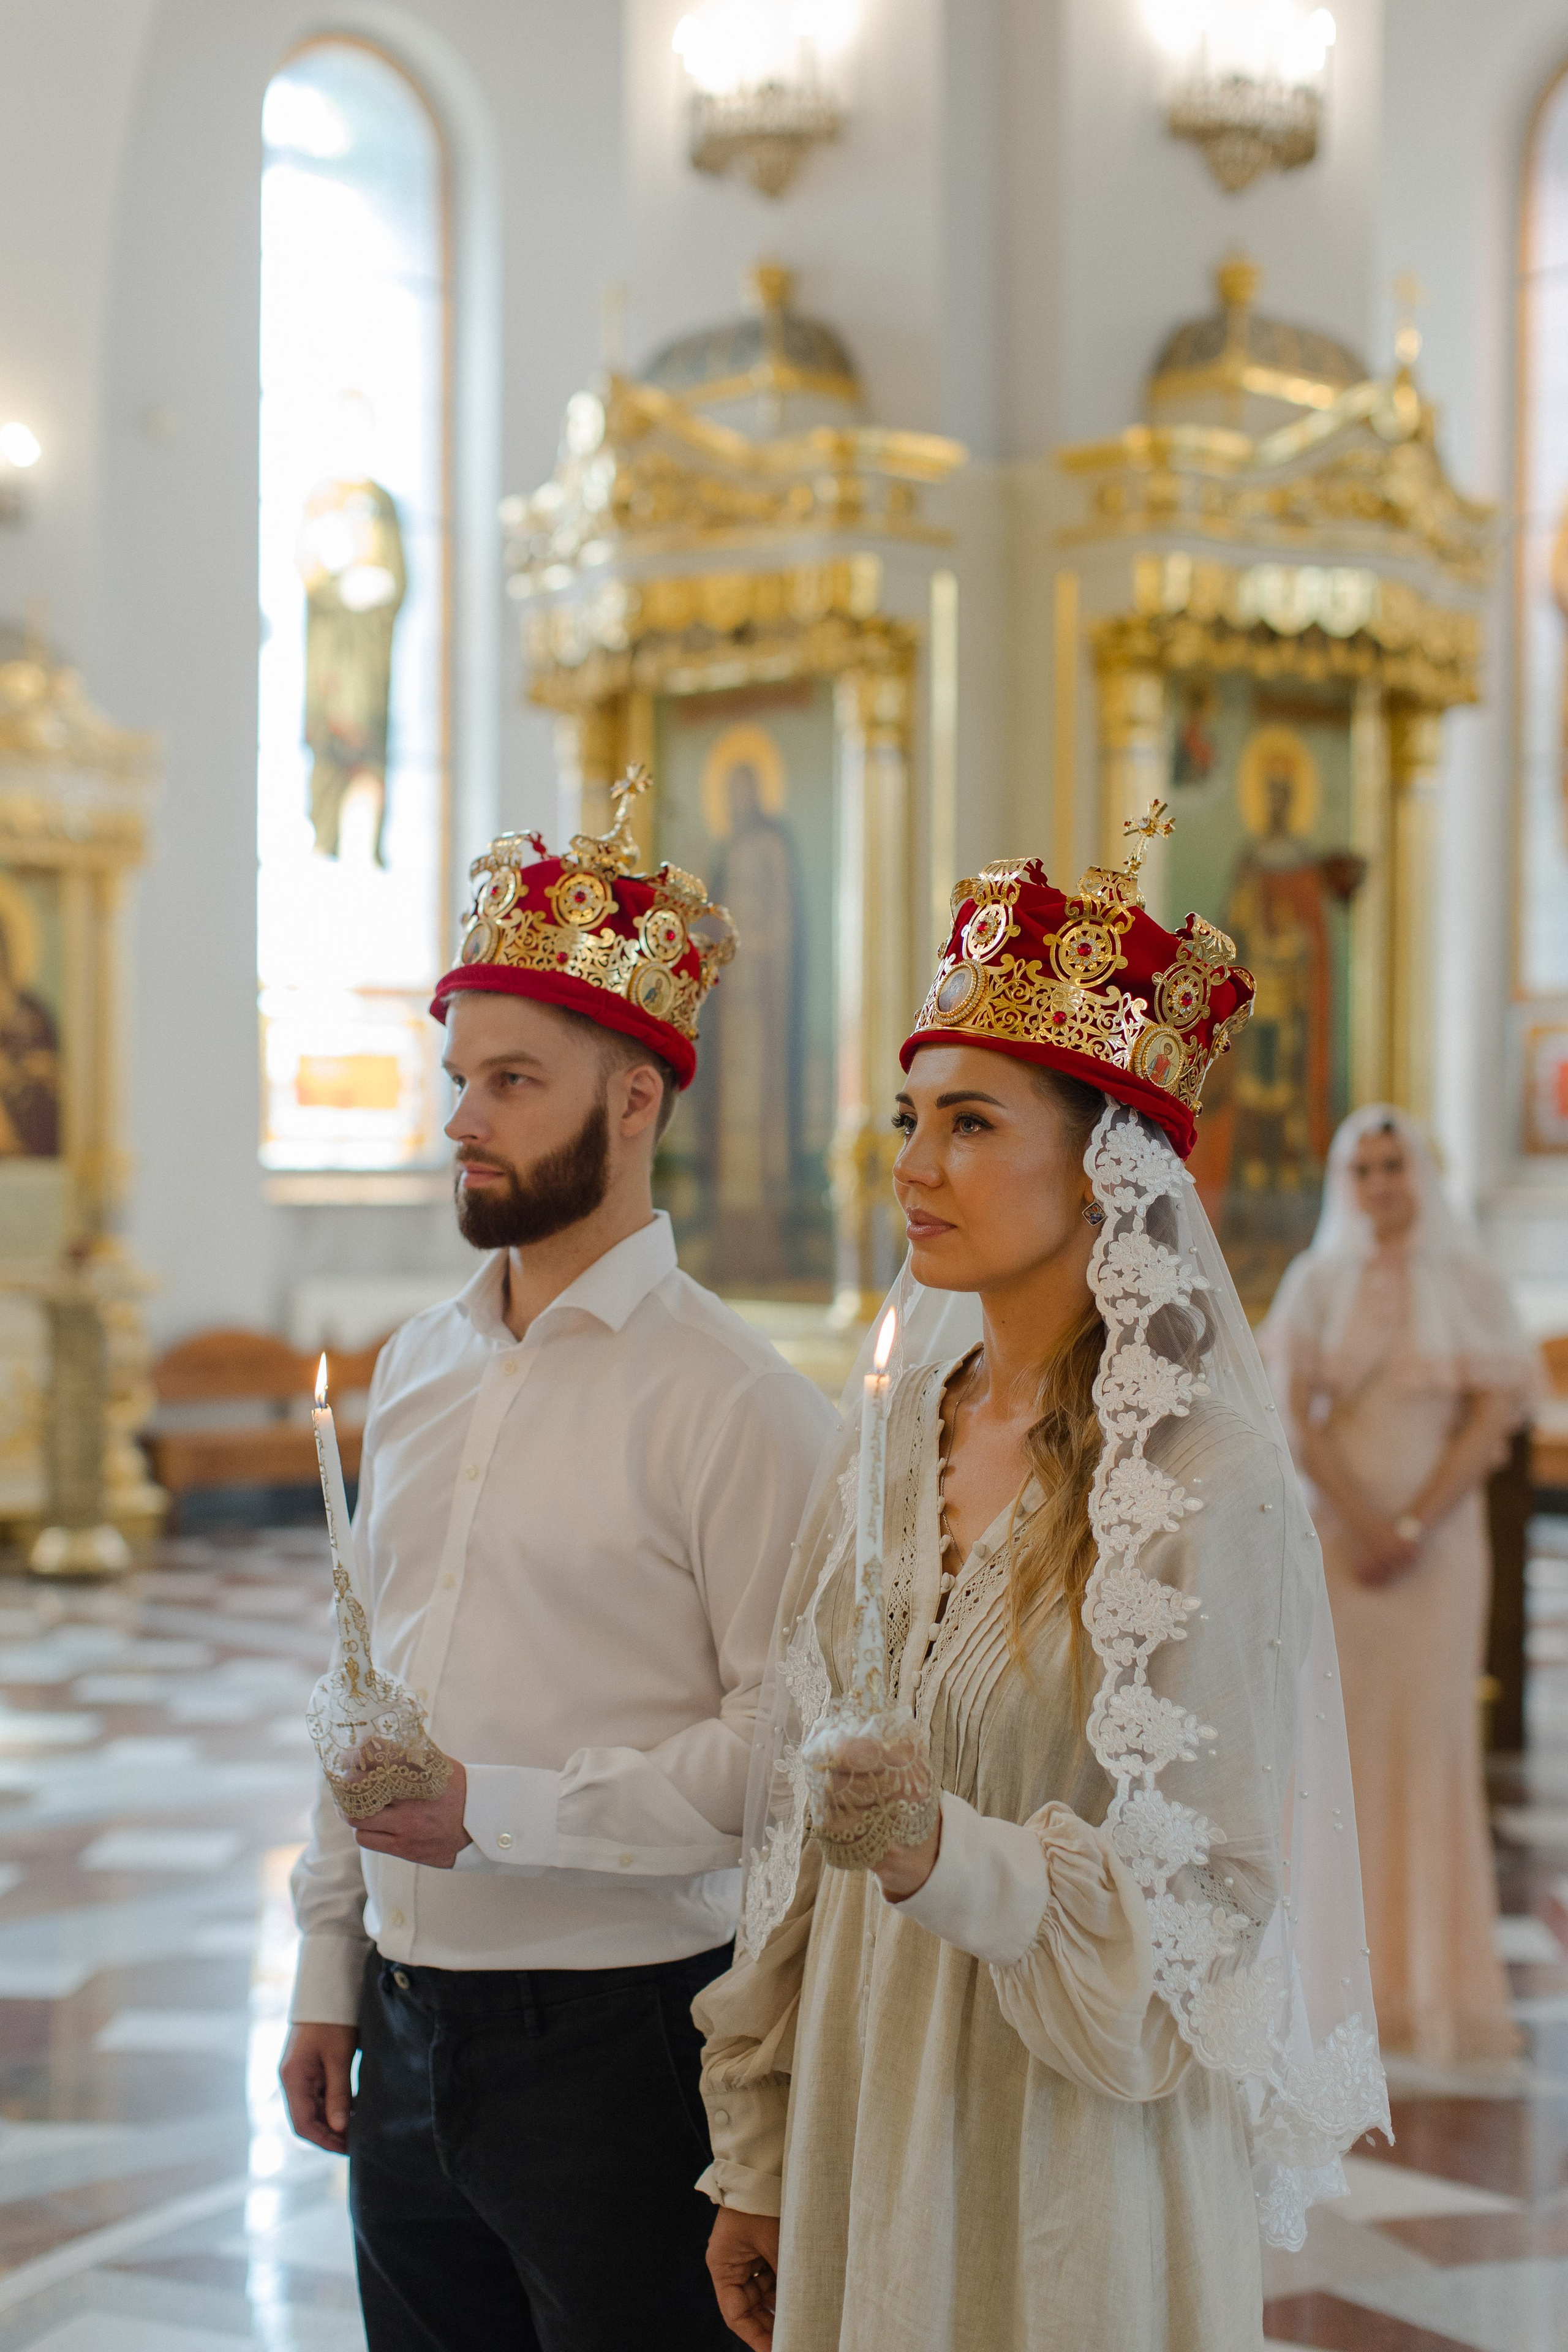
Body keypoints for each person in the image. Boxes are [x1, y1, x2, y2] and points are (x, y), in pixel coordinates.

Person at [696, 815, 1390, 2352]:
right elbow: (796, 1858)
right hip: (872, 2116)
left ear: (1103, 1171)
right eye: (906, 1118)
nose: (911, 1167)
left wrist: (948, 1853)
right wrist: (755, 2152)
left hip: (1073, 2150)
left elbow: (1205, 1910)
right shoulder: (890, 1445)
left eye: (968, 1125)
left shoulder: (1199, 1483)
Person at [280, 771, 837, 2351]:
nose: (462, 1118)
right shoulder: (418, 1366)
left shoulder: (735, 1405)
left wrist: (494, 1815)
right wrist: (331, 1963)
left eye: (513, 1081)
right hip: (402, 2018)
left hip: (620, 2043)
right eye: (458, 1077)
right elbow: (355, 1685)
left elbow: (781, 1763)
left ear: (637, 1101)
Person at [1260, 1104, 1541, 2062]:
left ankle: (1430, 1992)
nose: (1382, 1183)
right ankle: (1337, 1977)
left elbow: (1495, 1416)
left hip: (1440, 1553)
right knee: (1334, 1750)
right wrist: (1365, 1519)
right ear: (1348, 1182)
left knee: (1429, 1749)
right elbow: (1296, 1416)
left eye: (1395, 1165)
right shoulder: (1317, 1280)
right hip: (1341, 1542)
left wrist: (1415, 1521)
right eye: (1365, 1168)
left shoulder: (1466, 1280)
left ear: (1422, 1174)